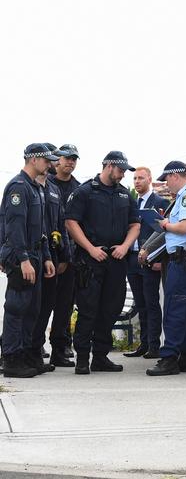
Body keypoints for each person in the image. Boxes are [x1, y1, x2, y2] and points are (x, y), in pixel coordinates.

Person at [65, 151, 140, 374]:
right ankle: (81, 358)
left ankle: (100, 356)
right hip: (91, 260)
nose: (123, 174)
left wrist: (126, 246)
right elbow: (71, 222)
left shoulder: (125, 195)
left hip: (116, 260)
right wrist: (90, 248)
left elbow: (135, 225)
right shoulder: (86, 192)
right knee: (88, 309)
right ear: (108, 166)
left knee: (111, 309)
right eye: (120, 170)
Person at [0, 143, 58, 377]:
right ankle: (12, 359)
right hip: (20, 255)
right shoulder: (18, 187)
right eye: (46, 160)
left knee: (32, 309)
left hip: (35, 254)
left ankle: (25, 356)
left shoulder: (35, 188)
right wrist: (23, 259)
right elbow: (14, 228)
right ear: (33, 160)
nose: (49, 164)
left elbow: (40, 228)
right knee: (17, 308)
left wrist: (45, 257)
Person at [146, 161, 186, 376]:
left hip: (184, 261)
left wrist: (165, 225)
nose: (166, 185)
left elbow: (185, 226)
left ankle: (169, 358)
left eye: (167, 180)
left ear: (176, 176)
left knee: (175, 309)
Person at [29, 155, 72, 372]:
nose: (51, 164)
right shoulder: (28, 186)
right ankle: (29, 353)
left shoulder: (53, 190)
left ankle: (43, 353)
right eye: (48, 160)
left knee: (48, 307)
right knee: (31, 308)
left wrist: (65, 256)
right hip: (36, 255)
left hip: (53, 257)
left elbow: (60, 224)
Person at [123, 167, 169, 359]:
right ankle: (143, 344)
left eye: (141, 178)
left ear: (149, 179)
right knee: (140, 304)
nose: (137, 181)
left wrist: (158, 258)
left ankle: (154, 346)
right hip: (133, 258)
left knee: (151, 303)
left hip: (150, 259)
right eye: (134, 178)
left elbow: (164, 233)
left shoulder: (160, 202)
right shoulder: (133, 202)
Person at [48, 144, 81, 366]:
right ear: (57, 160)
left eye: (73, 159)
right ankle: (29, 348)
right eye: (66, 158)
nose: (70, 162)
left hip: (70, 256)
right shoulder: (44, 184)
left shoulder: (79, 189)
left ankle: (59, 350)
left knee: (64, 307)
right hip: (47, 254)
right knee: (38, 306)